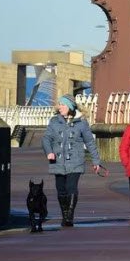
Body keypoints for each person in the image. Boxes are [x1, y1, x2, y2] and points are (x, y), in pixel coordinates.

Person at [42, 94, 101, 227]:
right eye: (59, 104)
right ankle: (64, 214)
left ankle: (69, 216)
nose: (60, 107)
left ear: (70, 107)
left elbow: (90, 142)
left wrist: (96, 161)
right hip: (57, 161)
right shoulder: (54, 121)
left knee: (71, 187)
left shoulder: (82, 123)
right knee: (61, 189)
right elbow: (46, 139)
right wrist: (49, 151)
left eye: (63, 104)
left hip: (76, 161)